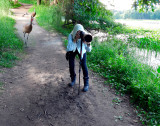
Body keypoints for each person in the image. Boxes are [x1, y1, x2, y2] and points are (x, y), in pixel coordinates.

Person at [66, 24, 92, 92]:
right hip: (73, 49)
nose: (79, 33)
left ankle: (86, 83)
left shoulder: (85, 35)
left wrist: (87, 43)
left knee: (84, 65)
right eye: (78, 31)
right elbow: (69, 48)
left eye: (80, 31)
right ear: (75, 31)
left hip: (81, 50)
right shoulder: (71, 35)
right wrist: (75, 39)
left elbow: (89, 50)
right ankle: (73, 79)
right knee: (71, 64)